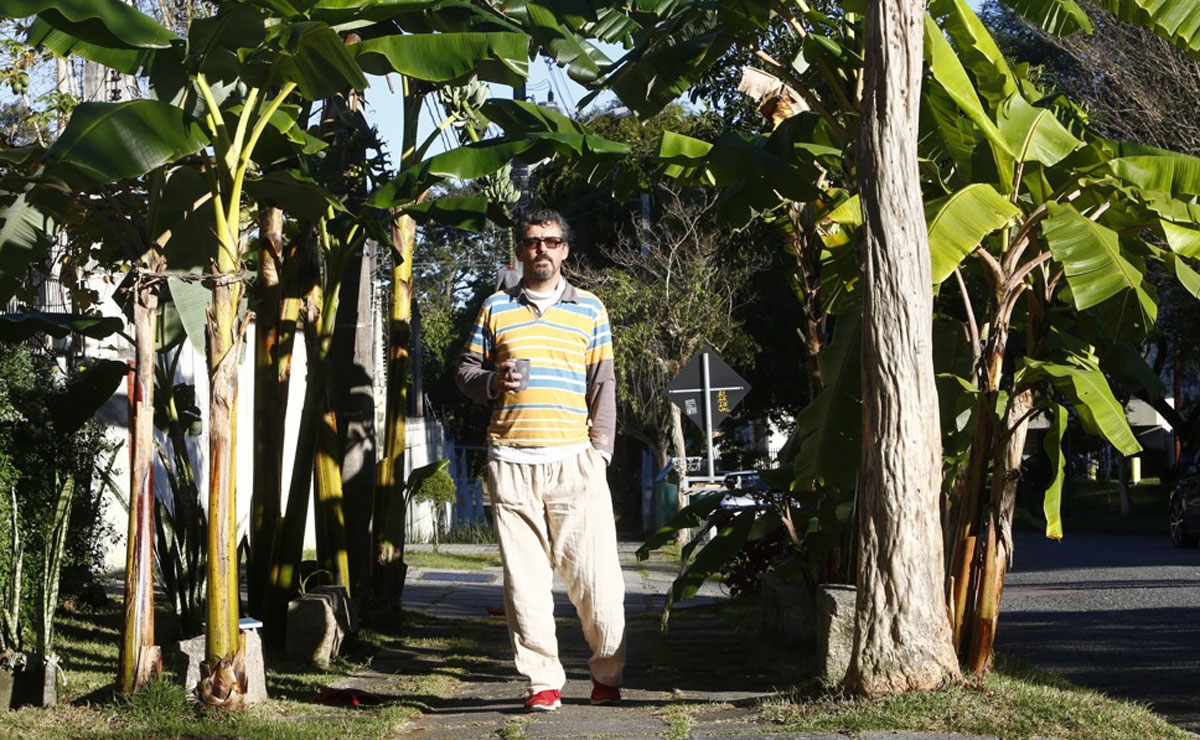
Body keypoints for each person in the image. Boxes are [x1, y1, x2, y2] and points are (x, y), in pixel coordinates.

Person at [455, 207, 626, 712]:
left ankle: (607, 675)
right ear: (519, 249)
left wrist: (601, 453)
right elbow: (464, 371)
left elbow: (603, 385)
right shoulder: (495, 309)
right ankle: (542, 682)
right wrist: (490, 381)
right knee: (524, 583)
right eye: (532, 242)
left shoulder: (590, 309)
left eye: (551, 242)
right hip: (510, 461)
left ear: (565, 250)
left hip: (575, 462)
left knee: (596, 581)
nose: (542, 251)